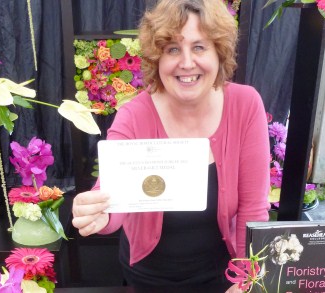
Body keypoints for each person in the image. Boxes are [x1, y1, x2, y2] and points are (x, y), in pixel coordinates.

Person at [72, 0, 270, 291]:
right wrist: (97, 212)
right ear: (157, 58)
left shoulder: (245, 104)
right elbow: (112, 195)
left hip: (223, 274)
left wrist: (247, 280)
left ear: (219, 52)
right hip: (150, 277)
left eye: (200, 47)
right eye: (173, 49)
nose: (186, 63)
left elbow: (253, 210)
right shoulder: (134, 115)